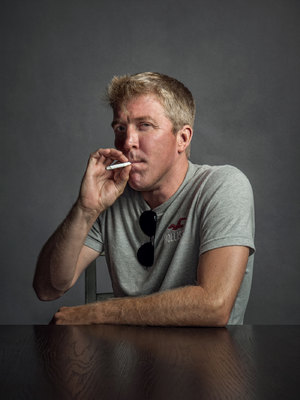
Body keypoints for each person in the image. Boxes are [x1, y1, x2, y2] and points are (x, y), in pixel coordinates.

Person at [33, 72, 255, 326]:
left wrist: (98, 313)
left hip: (206, 360)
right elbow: (48, 289)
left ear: (182, 138)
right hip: (129, 359)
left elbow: (213, 306)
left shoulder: (223, 186)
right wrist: (85, 210)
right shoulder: (111, 196)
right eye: (120, 128)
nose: (127, 142)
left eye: (145, 126)